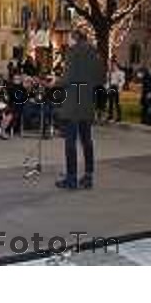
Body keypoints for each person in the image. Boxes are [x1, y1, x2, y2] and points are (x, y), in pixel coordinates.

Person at [55, 30, 105, 190]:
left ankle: (71, 178)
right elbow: (100, 79)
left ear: (75, 39)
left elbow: (68, 79)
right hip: (87, 100)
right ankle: (88, 176)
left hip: (74, 100)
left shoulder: (73, 52)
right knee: (86, 140)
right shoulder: (94, 53)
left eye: (69, 38)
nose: (67, 41)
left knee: (70, 141)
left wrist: (55, 82)